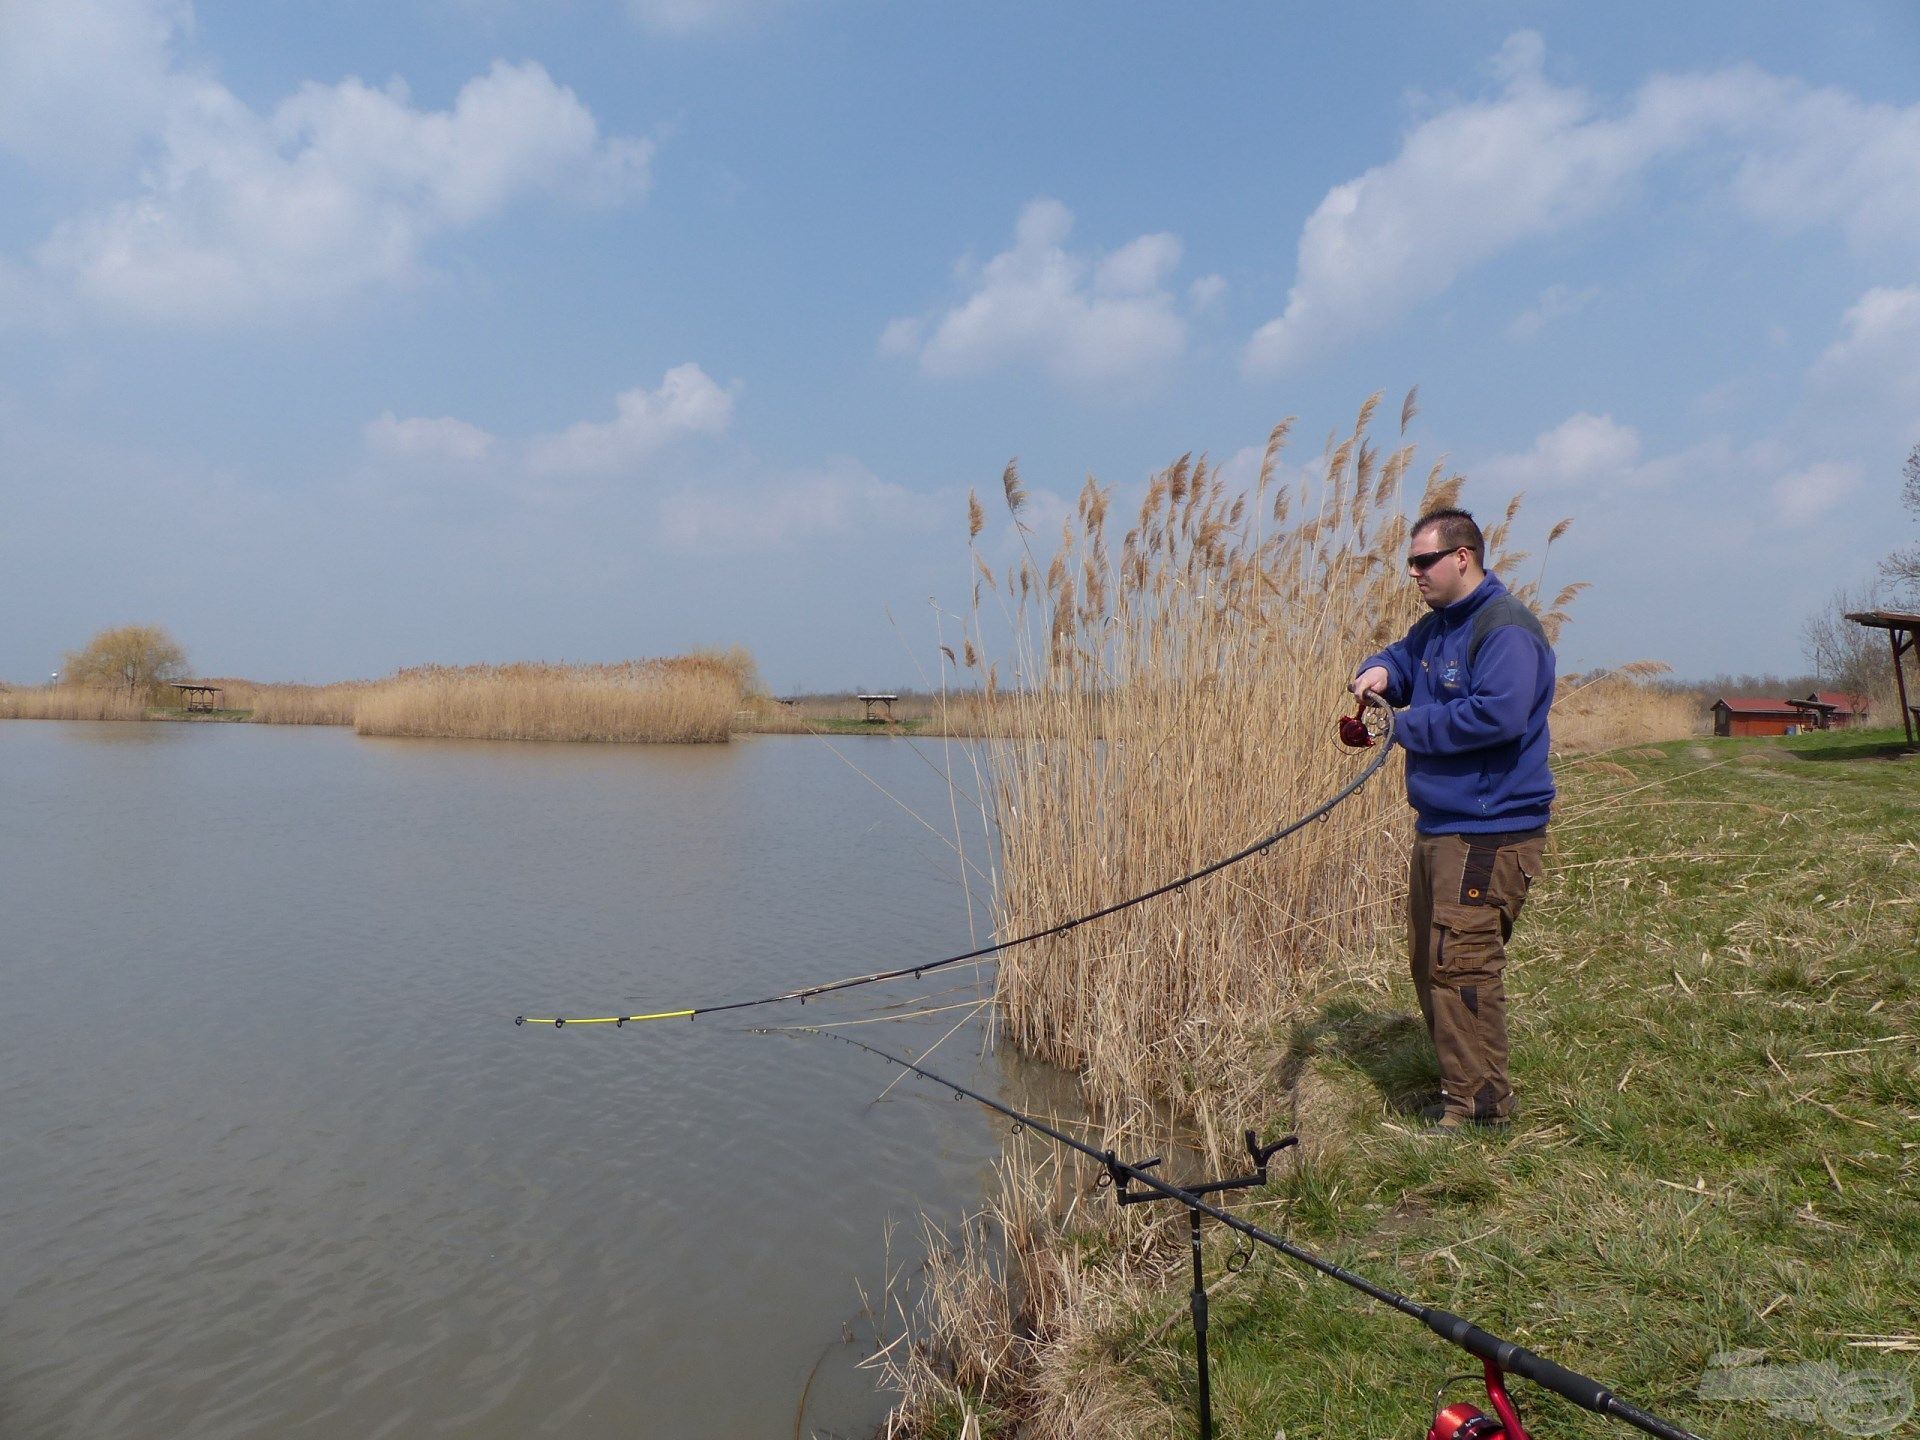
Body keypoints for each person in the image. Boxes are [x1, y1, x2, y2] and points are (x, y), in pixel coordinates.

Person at [1350, 507, 1556, 1131]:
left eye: (1423, 561)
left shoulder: (1506, 631)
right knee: (1432, 959)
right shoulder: (1439, 627)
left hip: (1488, 830)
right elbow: (1406, 659)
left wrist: (1405, 725)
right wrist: (1383, 671)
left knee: (1462, 964)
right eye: (1410, 563)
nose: (1413, 573)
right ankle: (1460, 1087)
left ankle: (1480, 1108)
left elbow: (1499, 715)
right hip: (1443, 826)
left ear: (1462, 557)